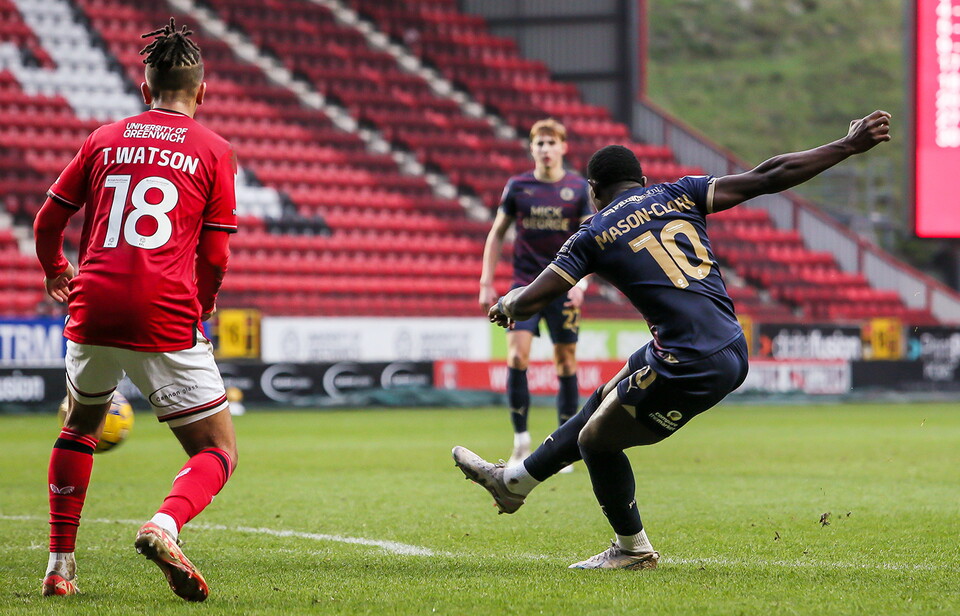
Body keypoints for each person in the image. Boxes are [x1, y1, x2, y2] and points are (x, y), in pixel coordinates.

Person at [454, 111, 892, 569]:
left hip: (687, 364)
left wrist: (505, 304)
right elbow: (770, 175)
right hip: (730, 346)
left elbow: (528, 302)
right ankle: (515, 482)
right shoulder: (678, 192)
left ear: (593, 193)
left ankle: (632, 549)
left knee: (596, 442)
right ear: (641, 180)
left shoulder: (593, 233)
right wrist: (846, 146)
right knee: (605, 395)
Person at [34, 19, 238, 601]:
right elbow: (215, 254)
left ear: (144, 90)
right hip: (164, 312)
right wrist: (201, 305)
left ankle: (58, 568)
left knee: (79, 427)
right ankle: (163, 525)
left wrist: (56, 271)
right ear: (202, 92)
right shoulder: (215, 151)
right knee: (217, 450)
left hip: (92, 302)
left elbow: (48, 221)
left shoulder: (103, 138)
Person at [479, 118, 594, 466]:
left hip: (563, 284)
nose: (545, 149)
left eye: (551, 143)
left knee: (566, 362)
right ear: (532, 148)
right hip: (524, 286)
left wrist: (583, 283)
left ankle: (565, 446)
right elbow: (498, 233)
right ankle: (521, 441)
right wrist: (486, 281)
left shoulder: (577, 188)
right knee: (516, 358)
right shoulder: (517, 186)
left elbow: (590, 238)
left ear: (563, 147)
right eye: (539, 143)